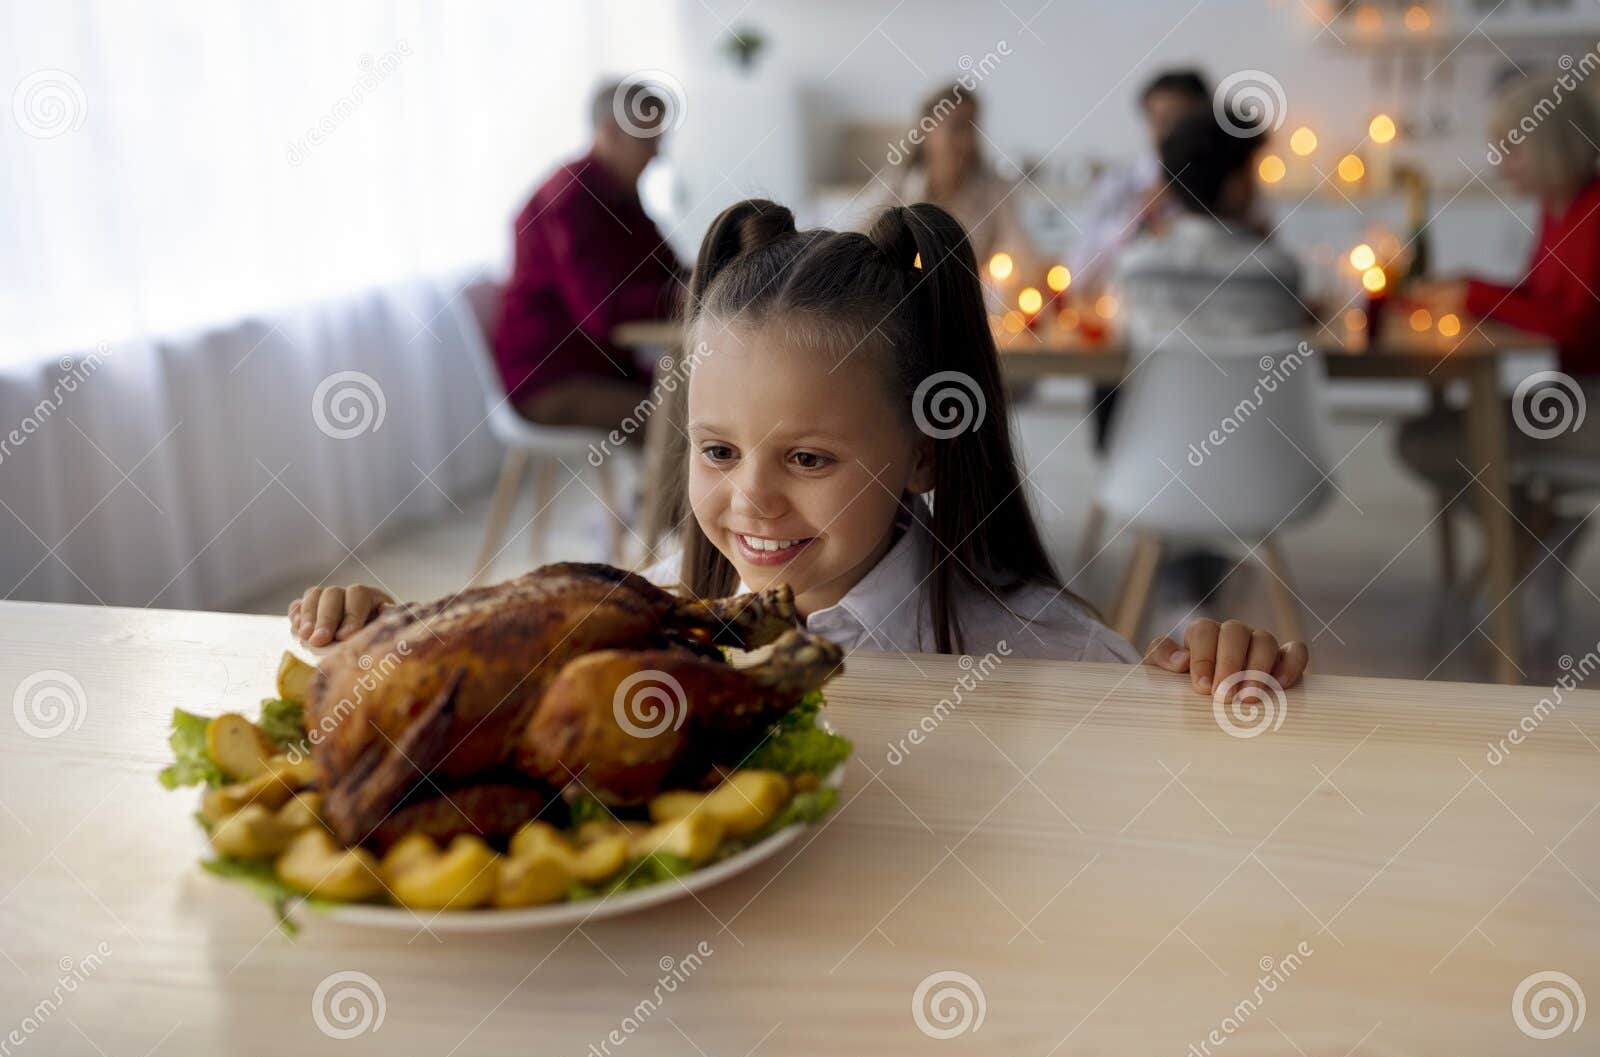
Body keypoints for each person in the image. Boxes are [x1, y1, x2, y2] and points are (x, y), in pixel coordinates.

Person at [290, 199, 1311, 696]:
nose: (752, 504)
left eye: (809, 458)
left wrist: (1217, 676)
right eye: (718, 450)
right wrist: (387, 637)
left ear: (923, 451)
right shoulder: (631, 617)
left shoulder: (1041, 651)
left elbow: (1155, 808)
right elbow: (495, 680)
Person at [1398, 74, 1600, 646]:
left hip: (1589, 404)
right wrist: (1467, 288)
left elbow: (1572, 324)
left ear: (1554, 143)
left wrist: (1473, 296)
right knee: (1433, 434)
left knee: (1428, 441)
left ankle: (1532, 538)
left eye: (1513, 145)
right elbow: (1541, 300)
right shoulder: (1560, 209)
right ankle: (1539, 533)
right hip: (1573, 394)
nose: (1501, 161)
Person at [1109, 109, 1308, 634]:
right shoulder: (1275, 272)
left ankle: (1184, 594)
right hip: (1262, 472)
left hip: (1155, 472)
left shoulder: (1138, 266)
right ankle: (1199, 591)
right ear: (1239, 182)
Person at [490, 80, 685, 429]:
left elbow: (667, 268)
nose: (657, 154)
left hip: (604, 367)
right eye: (648, 140)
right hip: (551, 379)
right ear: (610, 133)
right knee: (678, 422)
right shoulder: (569, 199)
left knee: (710, 399)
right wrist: (683, 294)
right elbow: (602, 312)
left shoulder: (621, 193)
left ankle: (656, 486)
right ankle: (656, 487)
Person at [1112, 109, 1305, 340]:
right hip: (1255, 378)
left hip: (1167, 378)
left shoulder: (1135, 268)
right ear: (1236, 186)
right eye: (1252, 172)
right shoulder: (1279, 272)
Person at [1070, 68, 1212, 294]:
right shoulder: (1118, 185)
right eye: (1159, 121)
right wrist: (1138, 214)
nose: (1170, 133)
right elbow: (1079, 276)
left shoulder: (1230, 188)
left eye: (1180, 122)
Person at [868, 84, 1032, 276]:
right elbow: (859, 245)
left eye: (972, 127)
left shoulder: (995, 191)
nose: (966, 140)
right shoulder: (895, 185)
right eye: (956, 127)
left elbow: (1020, 254)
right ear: (925, 129)